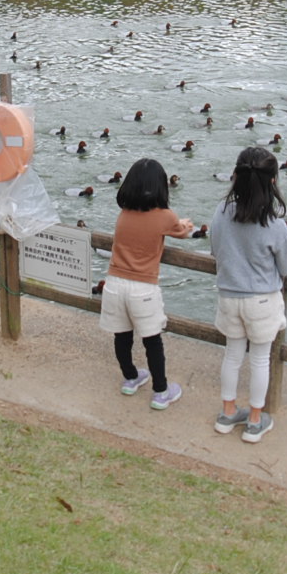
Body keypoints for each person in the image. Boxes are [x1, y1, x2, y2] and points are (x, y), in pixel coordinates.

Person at [207, 145, 287, 442]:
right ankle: (255, 421)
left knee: (232, 356)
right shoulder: (275, 224)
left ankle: (228, 414)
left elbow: (215, 251)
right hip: (261, 300)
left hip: (229, 296)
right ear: (272, 181)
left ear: (236, 177)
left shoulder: (221, 212)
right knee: (260, 360)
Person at [102, 157, 194, 409]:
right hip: (142, 287)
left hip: (114, 283)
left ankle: (130, 378)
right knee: (152, 340)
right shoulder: (165, 216)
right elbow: (181, 231)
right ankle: (161, 391)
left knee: (122, 335)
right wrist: (184, 224)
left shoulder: (124, 214)